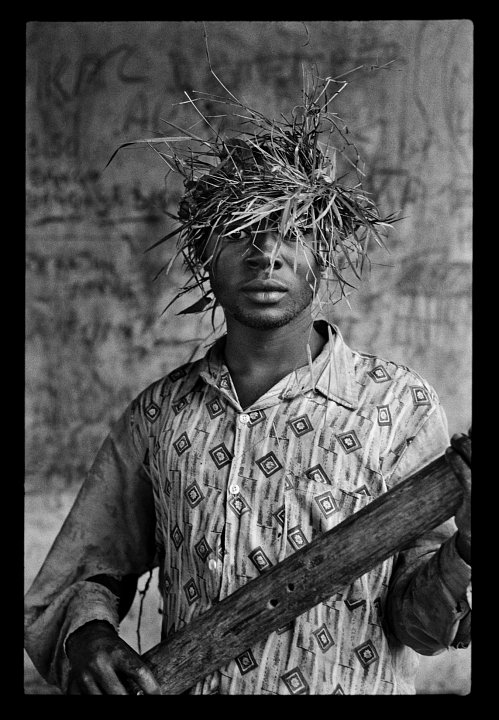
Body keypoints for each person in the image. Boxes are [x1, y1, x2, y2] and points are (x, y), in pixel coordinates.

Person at [24, 84, 471, 695]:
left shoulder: (398, 406)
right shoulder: (159, 416)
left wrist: (465, 549)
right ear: (204, 250)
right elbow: (82, 576)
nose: (267, 256)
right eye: (241, 231)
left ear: (327, 251)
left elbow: (420, 627)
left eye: (293, 230)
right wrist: (88, 635)